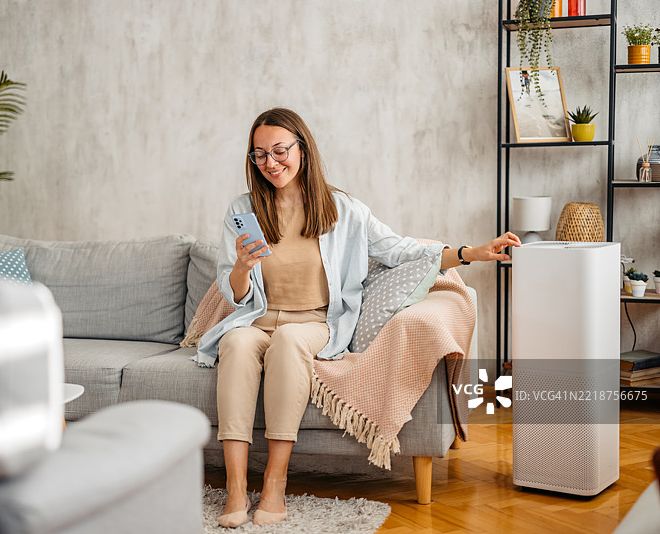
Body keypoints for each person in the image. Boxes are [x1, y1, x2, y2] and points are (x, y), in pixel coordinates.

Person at [201, 108, 521, 528]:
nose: (271, 163)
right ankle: (238, 488)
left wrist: (470, 253)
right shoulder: (243, 210)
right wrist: (242, 265)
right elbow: (234, 291)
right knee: (235, 343)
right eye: (259, 155)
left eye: (279, 151)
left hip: (315, 322)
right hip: (258, 317)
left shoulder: (343, 211)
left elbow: (402, 251)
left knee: (289, 341)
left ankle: (276, 482)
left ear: (303, 149)